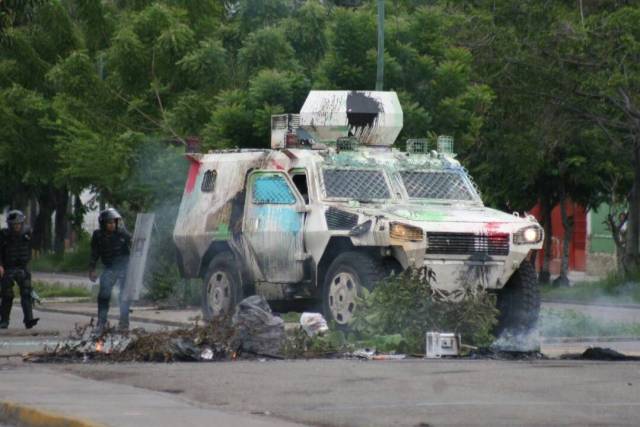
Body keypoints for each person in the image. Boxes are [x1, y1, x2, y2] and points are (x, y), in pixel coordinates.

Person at [89, 208, 132, 332]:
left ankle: (124, 324)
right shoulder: (98, 235)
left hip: (124, 268)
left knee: (124, 296)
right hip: (109, 268)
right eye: (109, 222)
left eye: (114, 222)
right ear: (103, 223)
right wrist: (91, 269)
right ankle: (101, 323)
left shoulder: (123, 234)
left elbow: (136, 246)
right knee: (103, 295)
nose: (112, 224)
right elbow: (94, 253)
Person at [0, 210, 38, 329]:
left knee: (26, 293)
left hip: (23, 268)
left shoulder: (27, 233)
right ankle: (4, 320)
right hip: (8, 268)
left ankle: (29, 319)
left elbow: (33, 246)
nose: (16, 226)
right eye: (14, 224)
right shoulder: (3, 235)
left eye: (18, 224)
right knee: (7, 295)